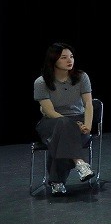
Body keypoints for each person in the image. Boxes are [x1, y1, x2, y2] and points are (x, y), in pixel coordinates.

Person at [33, 42, 95, 195]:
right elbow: (49, 111)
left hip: (78, 120)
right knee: (62, 126)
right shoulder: (41, 82)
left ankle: (56, 182)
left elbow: (88, 104)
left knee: (60, 139)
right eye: (64, 57)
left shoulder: (81, 77)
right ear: (53, 59)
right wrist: (73, 125)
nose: (69, 60)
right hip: (51, 122)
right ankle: (79, 162)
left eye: (71, 57)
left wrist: (87, 126)